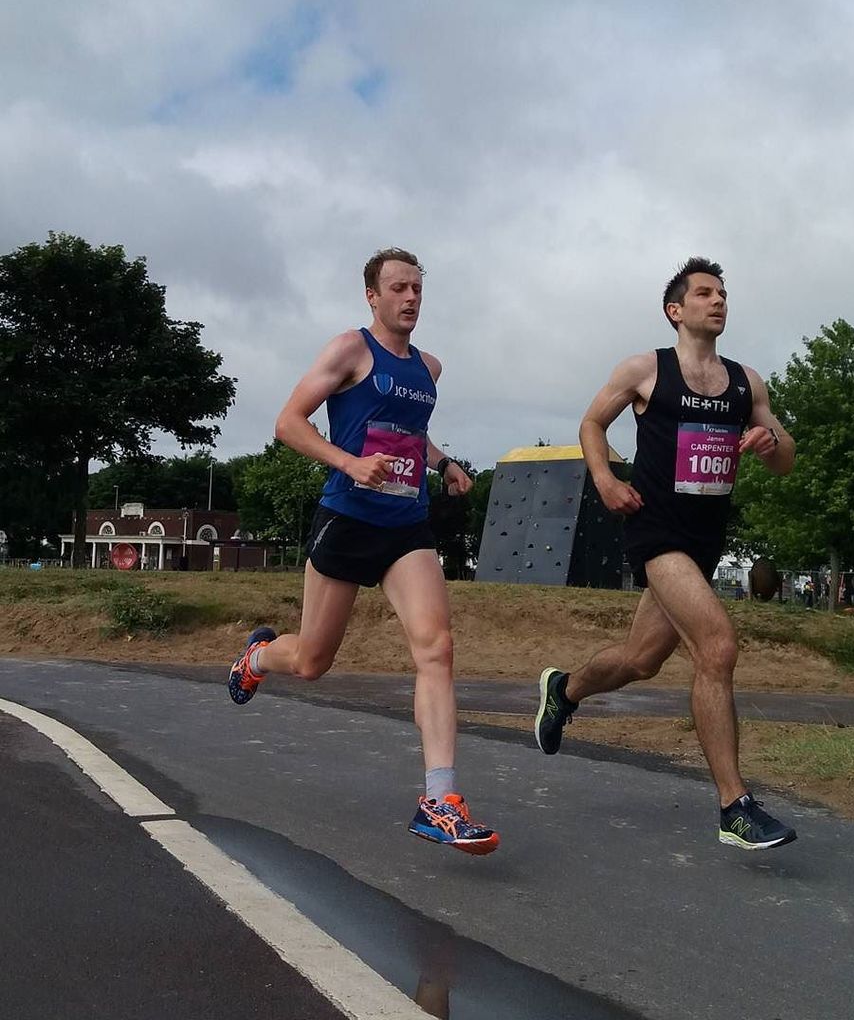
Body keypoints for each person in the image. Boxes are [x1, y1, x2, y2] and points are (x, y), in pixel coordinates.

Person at [227, 248, 499, 856]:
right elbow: (288, 422)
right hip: (348, 519)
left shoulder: (428, 367)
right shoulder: (350, 350)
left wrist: (444, 464)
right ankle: (259, 657)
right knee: (312, 662)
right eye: (398, 288)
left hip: (406, 525)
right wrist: (349, 462)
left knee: (437, 647)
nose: (411, 298)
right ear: (372, 296)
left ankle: (440, 800)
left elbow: (409, 433)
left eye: (417, 289)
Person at [535, 257, 798, 851]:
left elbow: (786, 458)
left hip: (705, 540)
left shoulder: (746, 382)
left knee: (639, 661)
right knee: (717, 646)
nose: (718, 301)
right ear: (675, 310)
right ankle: (734, 806)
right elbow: (592, 423)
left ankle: (565, 690)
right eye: (704, 293)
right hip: (655, 531)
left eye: (723, 293)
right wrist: (605, 479)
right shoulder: (645, 370)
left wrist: (769, 441)